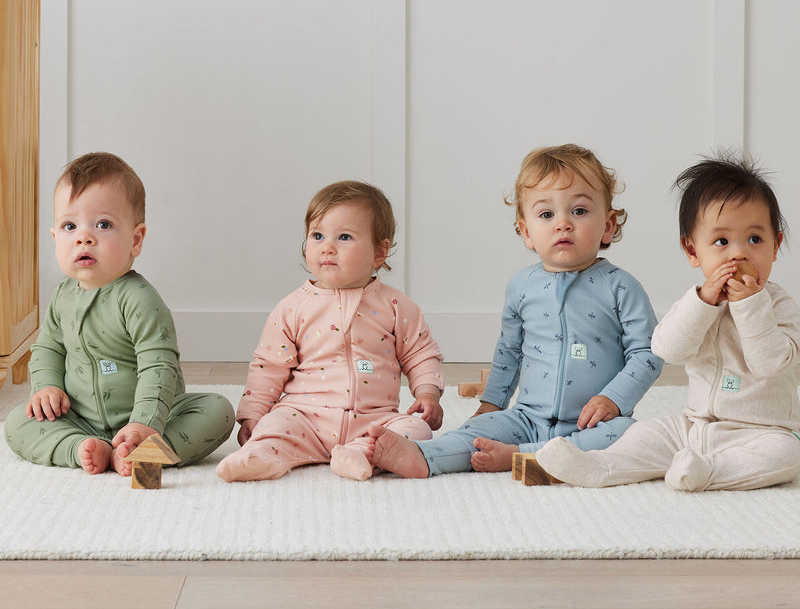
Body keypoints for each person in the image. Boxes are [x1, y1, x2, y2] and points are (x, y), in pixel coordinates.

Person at [366, 144, 662, 479]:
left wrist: (614, 400)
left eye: (579, 211)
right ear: (526, 232)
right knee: (476, 431)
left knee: (629, 435)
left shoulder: (621, 286)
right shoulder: (522, 286)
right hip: (527, 416)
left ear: (608, 226)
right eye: (547, 215)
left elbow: (648, 353)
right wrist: (492, 404)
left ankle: (522, 457)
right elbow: (510, 350)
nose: (563, 223)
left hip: (594, 421)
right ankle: (425, 455)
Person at [535, 151, 800, 492]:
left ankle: (710, 472)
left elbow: (769, 364)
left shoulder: (779, 305)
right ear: (692, 251)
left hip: (763, 431)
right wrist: (703, 302)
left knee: (787, 454)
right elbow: (667, 348)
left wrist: (750, 306)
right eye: (721, 241)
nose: (738, 254)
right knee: (645, 433)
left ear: (775, 246)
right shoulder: (698, 301)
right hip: (694, 425)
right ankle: (602, 466)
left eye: (755, 239)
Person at [4, 152, 234, 476]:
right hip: (81, 418)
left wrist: (144, 423)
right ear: (55, 237)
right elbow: (48, 349)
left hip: (151, 417)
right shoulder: (61, 296)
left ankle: (144, 447)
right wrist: (47, 387)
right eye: (70, 226)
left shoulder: (138, 299)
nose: (84, 236)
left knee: (219, 411)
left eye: (103, 224)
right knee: (16, 424)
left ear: (135, 240)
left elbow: (159, 364)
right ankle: (81, 448)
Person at [216, 180, 444, 482]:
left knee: (418, 432)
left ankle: (361, 452)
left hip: (374, 418)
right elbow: (267, 366)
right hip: (304, 418)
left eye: (344, 237)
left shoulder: (396, 305)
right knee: (274, 425)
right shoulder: (293, 307)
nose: (327, 247)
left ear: (380, 251)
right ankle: (261, 456)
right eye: (318, 235)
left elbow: (421, 353)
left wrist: (428, 393)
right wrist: (253, 415)